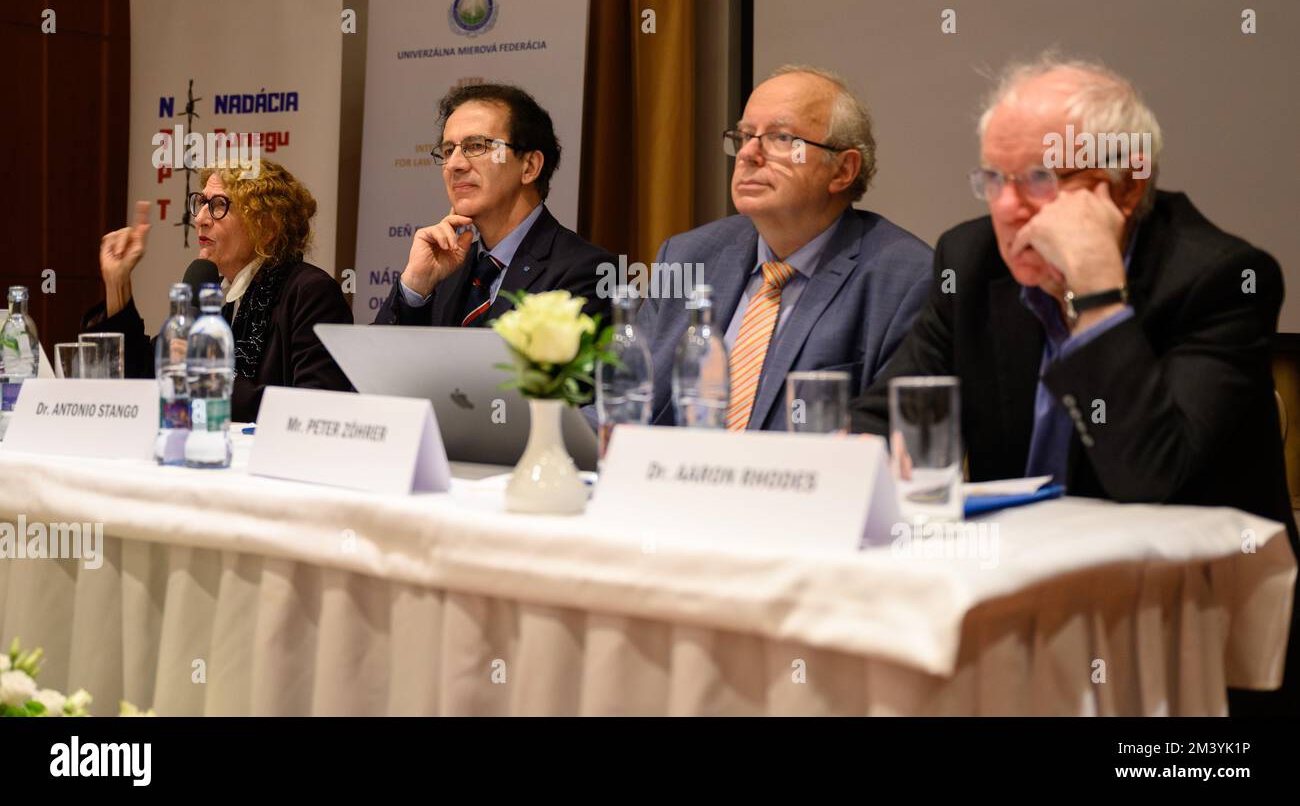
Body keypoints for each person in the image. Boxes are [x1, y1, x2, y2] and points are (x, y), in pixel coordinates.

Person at [848, 53, 1297, 713]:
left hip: (1184, 639)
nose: (1007, 207)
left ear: (1125, 186)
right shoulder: (970, 262)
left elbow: (1150, 476)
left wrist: (1095, 291)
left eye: (1038, 178)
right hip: (1018, 612)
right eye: (993, 178)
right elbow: (884, 422)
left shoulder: (1219, 279)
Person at [637, 65, 932, 430]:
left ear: (842, 170)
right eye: (744, 136)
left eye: (779, 138)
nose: (748, 154)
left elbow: (898, 441)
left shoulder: (906, 279)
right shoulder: (686, 257)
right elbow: (625, 406)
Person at [89, 159, 353, 421]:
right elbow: (143, 375)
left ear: (268, 227)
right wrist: (117, 282)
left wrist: (209, 377)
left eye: (219, 206)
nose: (201, 219)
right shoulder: (212, 291)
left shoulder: (311, 293)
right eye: (202, 203)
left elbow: (316, 410)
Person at [375, 83, 614, 328]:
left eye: (477, 146)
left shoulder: (586, 271)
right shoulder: (445, 269)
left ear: (529, 166)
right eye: (448, 150)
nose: (455, 165)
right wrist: (415, 286)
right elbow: (375, 361)